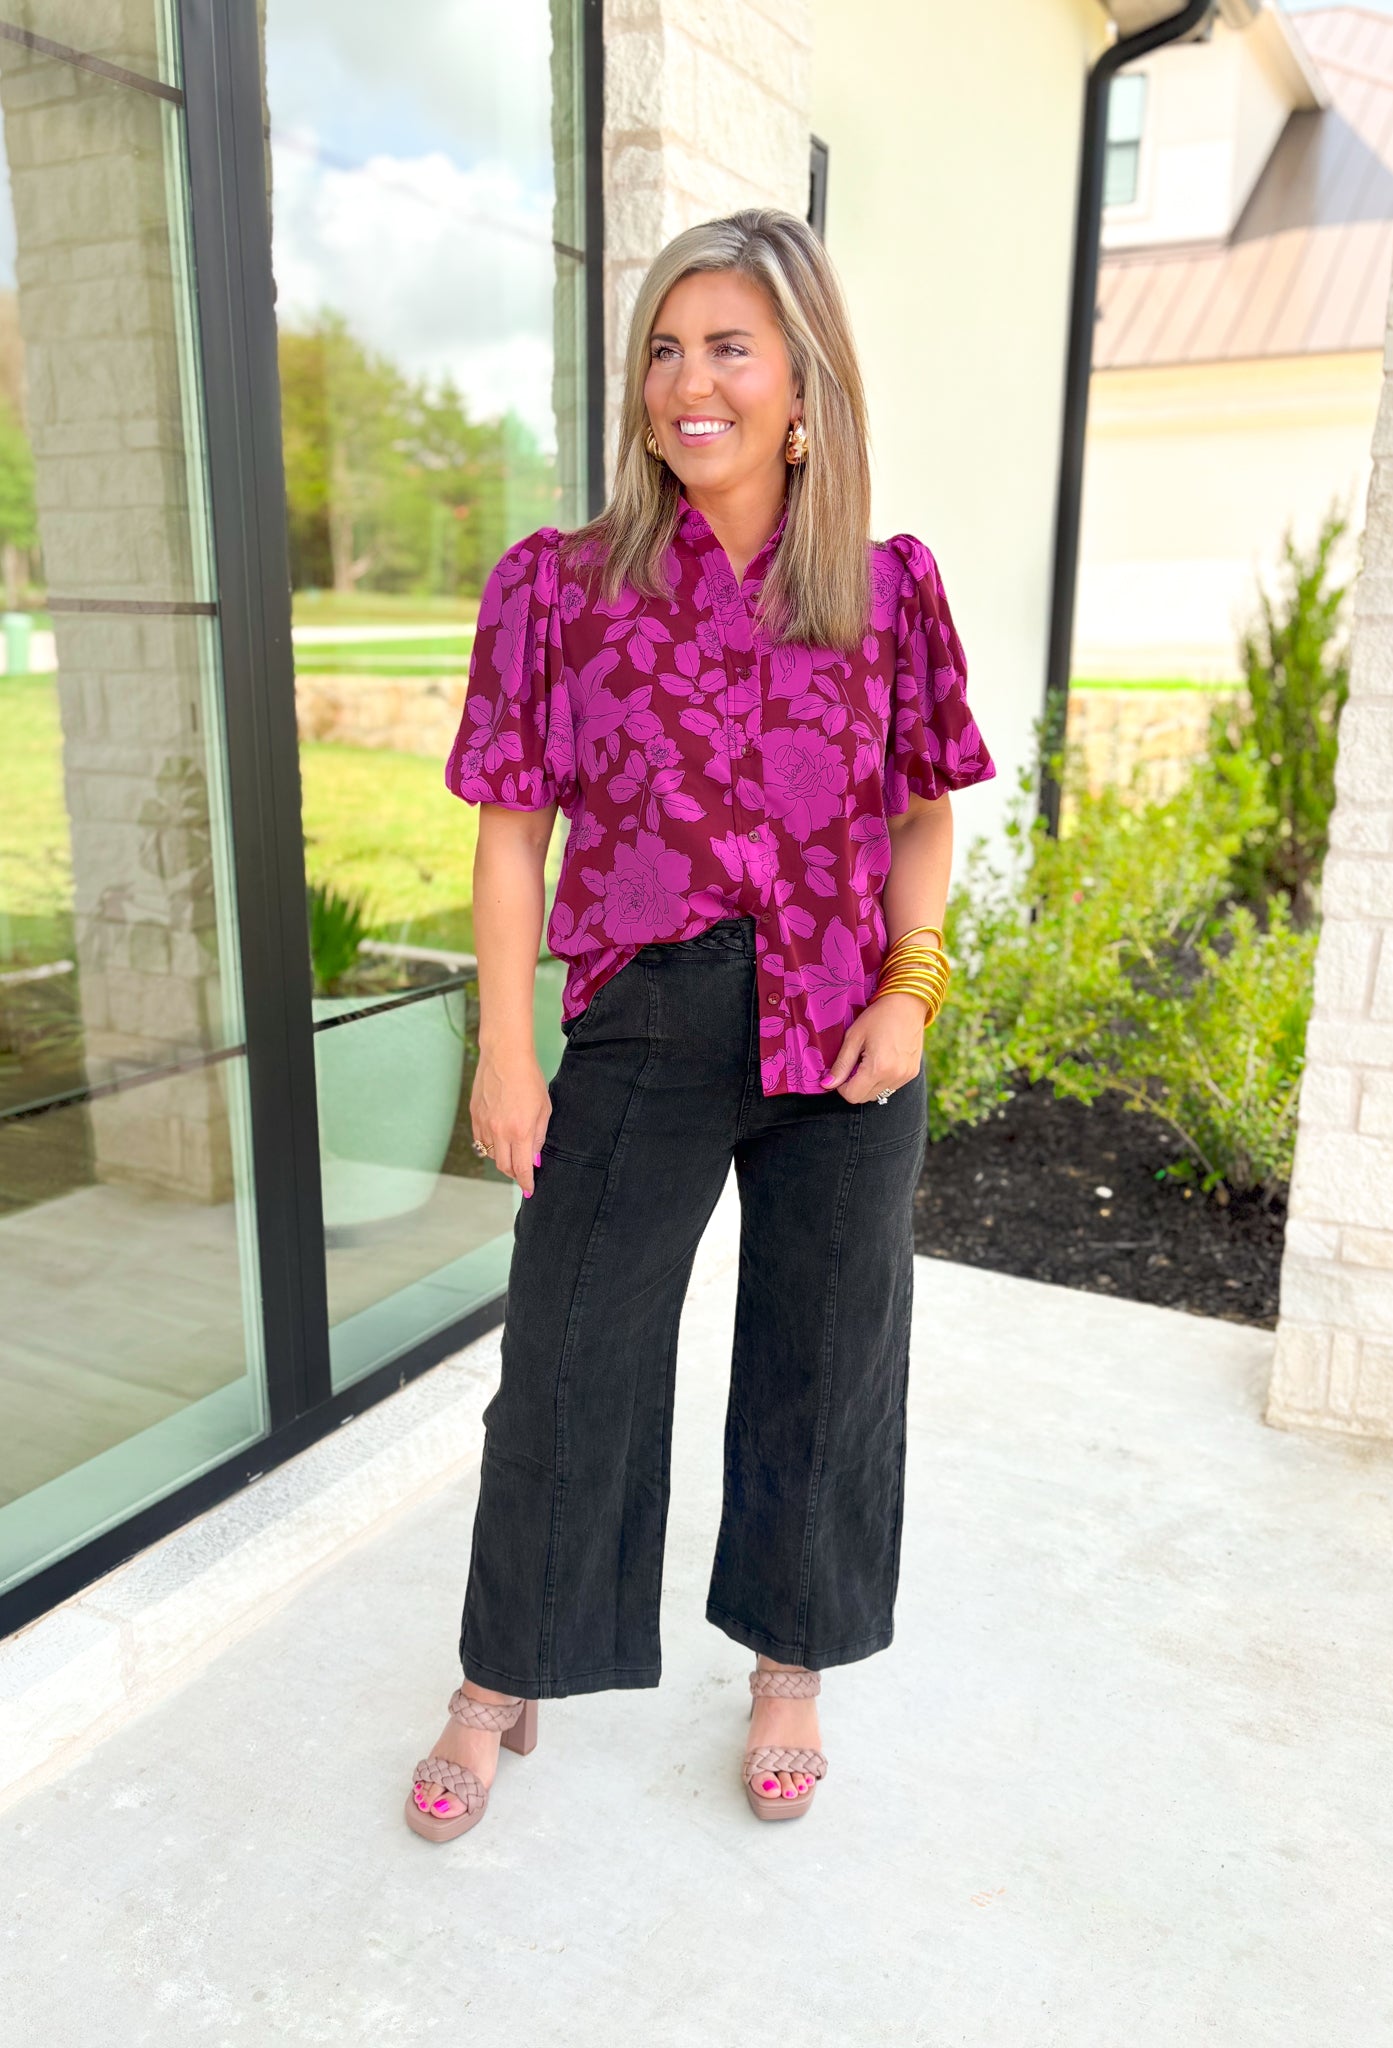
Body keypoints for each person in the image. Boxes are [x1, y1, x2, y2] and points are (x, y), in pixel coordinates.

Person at [404, 206, 994, 1843]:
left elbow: (921, 819)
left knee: (824, 1361)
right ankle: (499, 1672)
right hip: (644, 1022)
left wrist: (910, 990)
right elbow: (512, 826)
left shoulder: (885, 588)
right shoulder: (558, 587)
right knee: (568, 1363)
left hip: (846, 1045)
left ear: (804, 378)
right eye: (665, 349)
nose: (688, 382)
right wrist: (506, 1050)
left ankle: (786, 1666)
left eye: (727, 346)